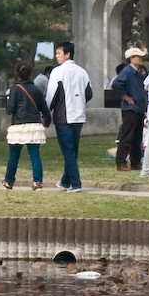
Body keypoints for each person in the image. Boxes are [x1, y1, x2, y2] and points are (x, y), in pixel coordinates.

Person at [43, 41, 91, 192]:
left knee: (68, 151)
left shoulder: (58, 72)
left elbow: (51, 95)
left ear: (67, 54)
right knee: (72, 150)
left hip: (63, 117)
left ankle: (76, 184)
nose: (56, 56)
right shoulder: (82, 72)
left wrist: (46, 113)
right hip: (79, 116)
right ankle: (65, 181)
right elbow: (89, 93)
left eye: (59, 53)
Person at [3, 63, 47, 190]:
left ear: (17, 73)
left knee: (13, 156)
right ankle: (37, 182)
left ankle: (8, 181)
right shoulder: (36, 89)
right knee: (34, 155)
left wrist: (8, 100)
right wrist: (47, 120)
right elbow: (44, 109)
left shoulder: (14, 89)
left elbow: (10, 110)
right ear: (29, 74)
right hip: (33, 125)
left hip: (18, 126)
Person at [114, 46, 148, 172]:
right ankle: (121, 162)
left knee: (137, 137)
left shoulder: (138, 72)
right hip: (130, 108)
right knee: (127, 136)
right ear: (131, 58)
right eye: (138, 57)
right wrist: (125, 96)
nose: (140, 59)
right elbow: (117, 84)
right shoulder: (127, 71)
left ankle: (135, 161)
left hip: (138, 107)